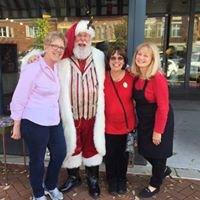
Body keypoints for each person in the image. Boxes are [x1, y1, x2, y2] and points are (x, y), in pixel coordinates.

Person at [10, 31, 67, 200]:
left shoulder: (57, 66)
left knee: (59, 153)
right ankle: (38, 193)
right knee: (37, 161)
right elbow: (19, 97)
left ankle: (50, 185)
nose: (58, 50)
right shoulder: (33, 68)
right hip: (34, 121)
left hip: (53, 120)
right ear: (46, 46)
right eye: (54, 46)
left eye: (61, 47)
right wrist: (16, 123)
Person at [58, 20, 105, 198]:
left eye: (86, 36)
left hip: (93, 114)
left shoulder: (100, 56)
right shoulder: (63, 57)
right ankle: (74, 177)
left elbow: (118, 69)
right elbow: (45, 59)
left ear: (91, 38)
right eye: (79, 36)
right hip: (72, 113)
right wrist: (33, 57)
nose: (82, 40)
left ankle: (93, 179)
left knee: (91, 146)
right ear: (74, 37)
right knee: (72, 146)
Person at [131, 42, 174, 198]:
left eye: (145, 55)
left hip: (160, 120)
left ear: (152, 59)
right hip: (144, 120)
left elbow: (163, 108)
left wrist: (158, 131)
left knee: (158, 153)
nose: (141, 57)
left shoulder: (158, 78)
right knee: (144, 150)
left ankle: (155, 184)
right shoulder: (136, 76)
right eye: (139, 54)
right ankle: (162, 170)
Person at [104, 47, 136, 195]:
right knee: (110, 155)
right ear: (108, 60)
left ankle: (121, 179)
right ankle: (111, 179)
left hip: (127, 125)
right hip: (108, 126)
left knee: (123, 156)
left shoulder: (131, 77)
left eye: (120, 58)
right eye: (113, 58)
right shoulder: (102, 76)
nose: (116, 61)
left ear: (124, 61)